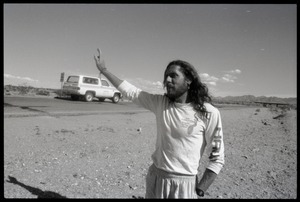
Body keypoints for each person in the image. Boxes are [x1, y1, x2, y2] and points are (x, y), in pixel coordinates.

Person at [94, 48, 225, 199]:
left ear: (188, 81)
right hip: (156, 177)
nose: (167, 80)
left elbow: (217, 157)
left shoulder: (208, 113)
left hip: (184, 184)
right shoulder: (161, 103)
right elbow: (131, 92)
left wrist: (200, 189)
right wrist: (104, 70)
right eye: (166, 76)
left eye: (173, 76)